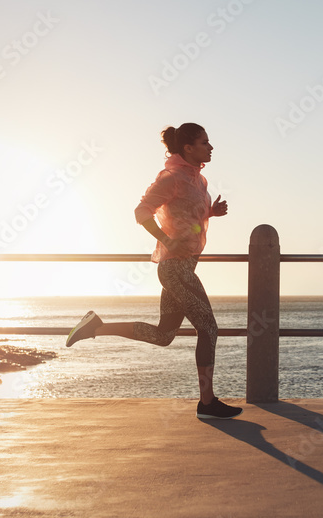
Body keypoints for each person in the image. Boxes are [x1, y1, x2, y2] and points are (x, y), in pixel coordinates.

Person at [66, 123, 242, 420]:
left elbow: (186, 215)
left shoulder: (199, 180)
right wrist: (164, 238)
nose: (211, 147)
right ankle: (207, 403)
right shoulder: (172, 178)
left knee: (163, 335)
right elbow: (141, 212)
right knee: (208, 328)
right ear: (188, 147)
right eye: (204, 142)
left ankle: (95, 326)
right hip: (175, 269)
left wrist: (212, 212)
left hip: (184, 267)